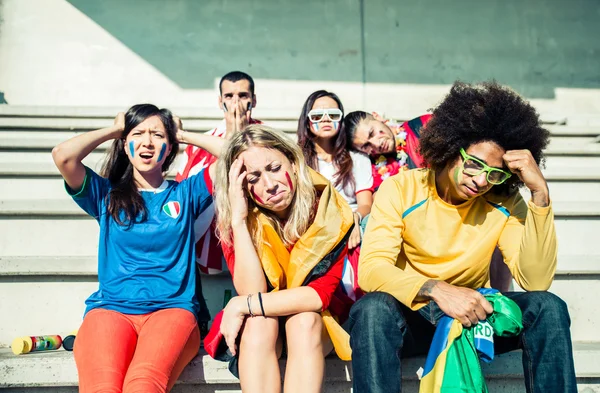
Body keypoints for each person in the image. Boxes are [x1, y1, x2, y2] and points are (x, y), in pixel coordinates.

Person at [348, 81, 576, 393]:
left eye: (495, 174)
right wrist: (438, 290)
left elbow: (535, 279)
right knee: (371, 310)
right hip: (414, 316)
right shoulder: (401, 189)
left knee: (548, 307)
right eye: (474, 165)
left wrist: (540, 194)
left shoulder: (504, 200)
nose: (482, 180)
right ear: (449, 147)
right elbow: (372, 271)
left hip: (474, 318)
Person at [52, 104, 224, 393]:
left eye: (157, 135)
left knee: (142, 385)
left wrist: (181, 134)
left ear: (169, 149)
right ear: (125, 144)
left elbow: (236, 154)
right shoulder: (104, 194)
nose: (147, 142)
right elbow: (63, 156)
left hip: (173, 311)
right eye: (137, 133)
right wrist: (113, 130)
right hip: (111, 311)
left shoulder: (186, 192)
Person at [204, 125, 355, 393]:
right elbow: (253, 292)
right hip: (263, 325)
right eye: (253, 179)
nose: (270, 185)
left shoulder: (328, 210)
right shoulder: (237, 215)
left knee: (303, 321)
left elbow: (317, 296)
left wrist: (240, 305)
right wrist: (239, 222)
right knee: (260, 324)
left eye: (274, 168)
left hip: (316, 321)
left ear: (294, 163)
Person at [344, 110, 512, 291]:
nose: (376, 143)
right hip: (420, 231)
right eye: (366, 146)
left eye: (372, 133)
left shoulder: (422, 127)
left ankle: (500, 295)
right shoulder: (378, 169)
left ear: (377, 117)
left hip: (463, 210)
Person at [297, 90, 373, 251]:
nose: (326, 119)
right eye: (317, 115)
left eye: (333, 114)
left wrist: (354, 219)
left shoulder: (358, 159)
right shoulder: (297, 160)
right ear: (307, 121)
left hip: (355, 227)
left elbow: (366, 204)